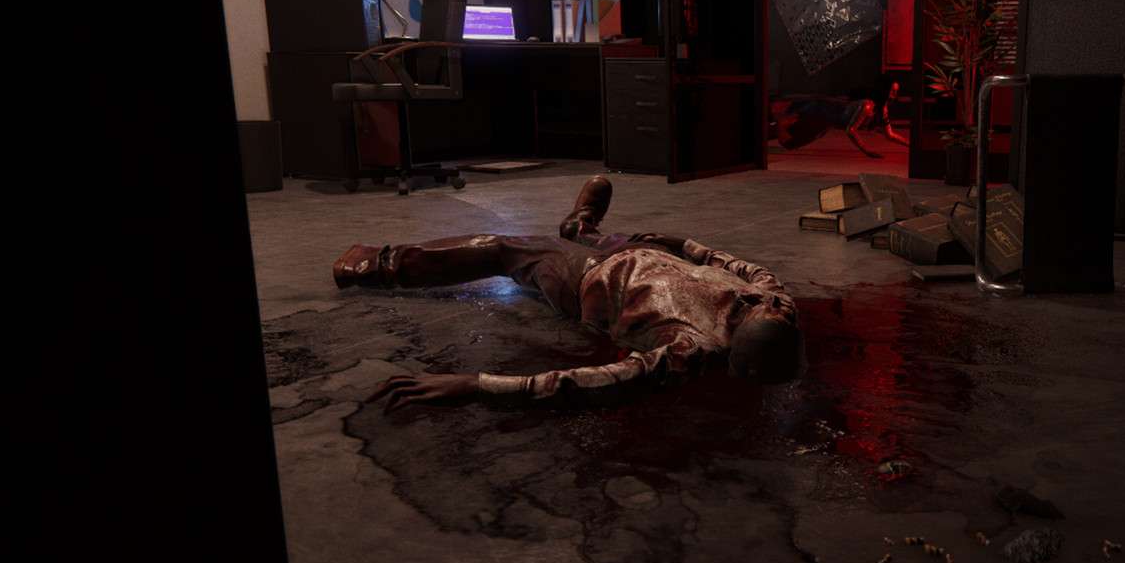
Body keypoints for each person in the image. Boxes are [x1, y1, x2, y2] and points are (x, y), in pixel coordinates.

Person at [331, 176, 802, 411]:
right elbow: (735, 264)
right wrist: (682, 244)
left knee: (504, 249)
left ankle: (378, 265)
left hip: (591, 278)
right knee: (598, 237)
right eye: (748, 309)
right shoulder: (773, 301)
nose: (744, 307)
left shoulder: (686, 352)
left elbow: (589, 382)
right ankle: (580, 226)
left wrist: (475, 384)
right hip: (643, 253)